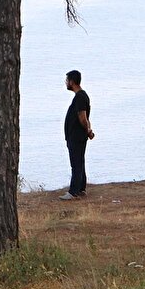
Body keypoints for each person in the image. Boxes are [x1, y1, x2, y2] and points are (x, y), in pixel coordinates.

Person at [60, 69, 95, 201]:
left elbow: (83, 118)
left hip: (76, 136)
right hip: (76, 136)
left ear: (72, 82)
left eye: (67, 80)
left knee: (76, 163)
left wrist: (88, 131)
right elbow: (85, 118)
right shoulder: (81, 96)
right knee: (79, 161)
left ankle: (73, 192)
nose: (66, 83)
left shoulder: (80, 97)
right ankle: (81, 188)